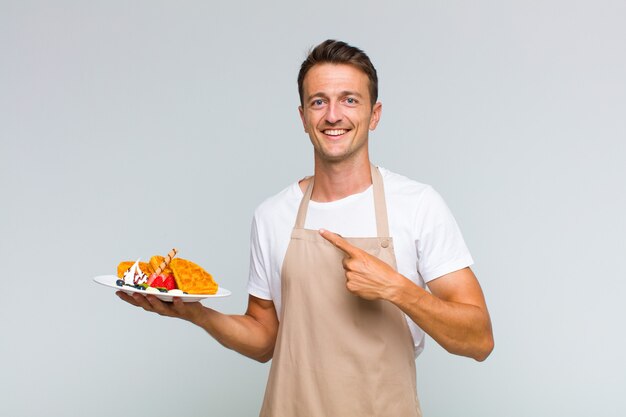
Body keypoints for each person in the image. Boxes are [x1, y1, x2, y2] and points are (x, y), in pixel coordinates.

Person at [117, 39, 494, 416]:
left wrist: (396, 288)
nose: (333, 115)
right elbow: (265, 340)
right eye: (319, 101)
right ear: (302, 117)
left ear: (374, 114)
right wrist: (198, 314)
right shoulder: (272, 215)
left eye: (349, 100)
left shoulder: (417, 205)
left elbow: (479, 340)